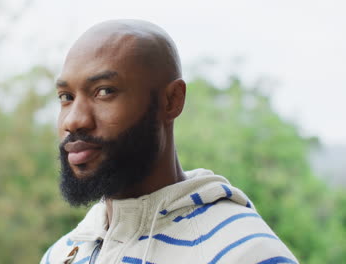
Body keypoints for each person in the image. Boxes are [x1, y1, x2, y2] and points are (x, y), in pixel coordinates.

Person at [41, 19, 298, 264]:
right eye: (66, 97)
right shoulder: (62, 254)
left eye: (105, 91)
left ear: (171, 101)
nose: (73, 121)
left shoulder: (246, 254)